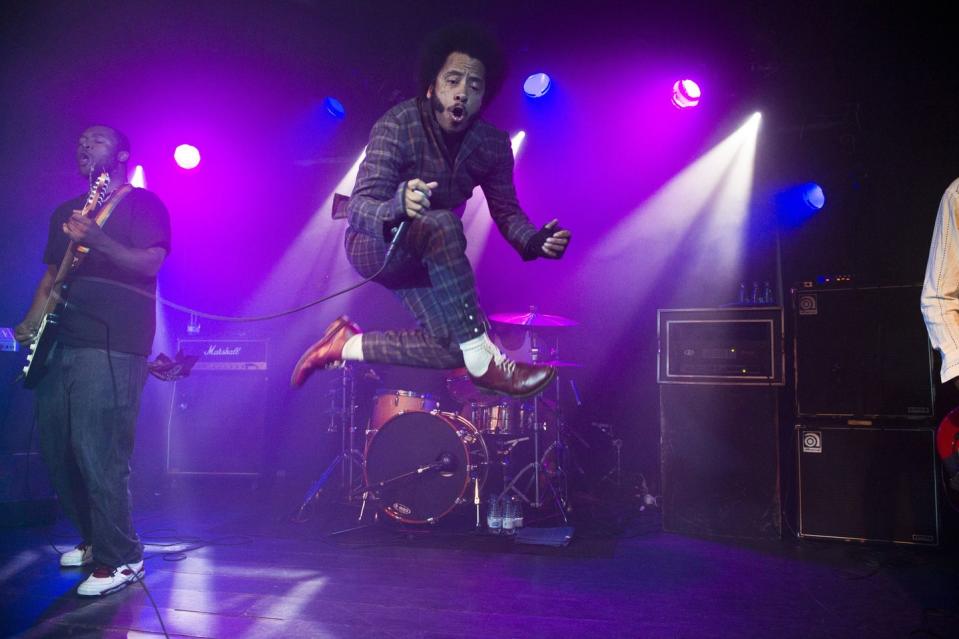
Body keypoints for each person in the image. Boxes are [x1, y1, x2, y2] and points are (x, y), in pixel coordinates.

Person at [291, 24, 571, 396]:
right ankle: (485, 360)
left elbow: (507, 212)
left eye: (474, 87)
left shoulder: (492, 144)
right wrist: (397, 205)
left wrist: (534, 241)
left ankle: (344, 345)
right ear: (432, 86)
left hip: (430, 254)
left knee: (451, 347)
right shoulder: (398, 123)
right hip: (376, 244)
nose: (462, 93)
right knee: (442, 224)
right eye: (453, 81)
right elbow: (358, 207)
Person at [15, 124, 171, 596]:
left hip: (112, 344)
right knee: (59, 451)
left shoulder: (144, 203)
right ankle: (93, 539)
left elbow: (150, 263)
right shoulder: (65, 211)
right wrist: (28, 327)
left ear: (122, 153)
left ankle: (122, 557)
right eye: (79, 139)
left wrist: (97, 240)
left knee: (99, 450)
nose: (83, 144)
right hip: (60, 341)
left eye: (97, 139)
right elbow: (50, 281)